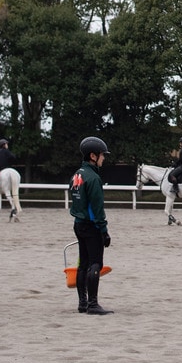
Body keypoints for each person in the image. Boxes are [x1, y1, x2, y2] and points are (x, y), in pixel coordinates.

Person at [69, 135, 112, 315]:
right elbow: (97, 208)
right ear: (93, 156)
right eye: (102, 155)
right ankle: (93, 304)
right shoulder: (93, 178)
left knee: (83, 264)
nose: (103, 158)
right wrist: (104, 230)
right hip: (91, 225)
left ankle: (82, 303)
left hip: (78, 224)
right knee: (95, 263)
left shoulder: (77, 174)